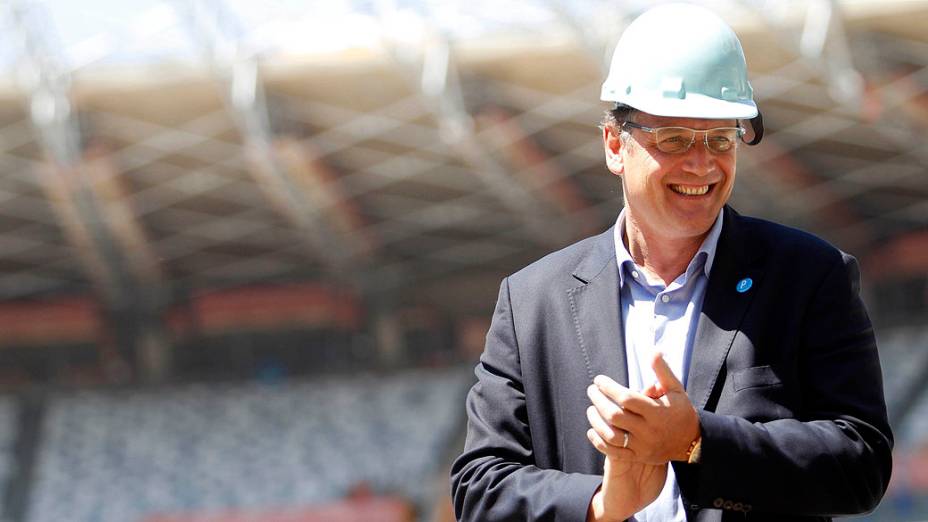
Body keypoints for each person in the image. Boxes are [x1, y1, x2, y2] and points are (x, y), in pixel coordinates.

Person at [450, 3, 893, 521]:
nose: (702, 163)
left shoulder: (810, 276)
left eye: (720, 139)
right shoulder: (531, 302)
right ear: (616, 144)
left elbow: (861, 462)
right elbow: (480, 487)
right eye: (676, 139)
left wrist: (697, 442)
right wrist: (599, 505)